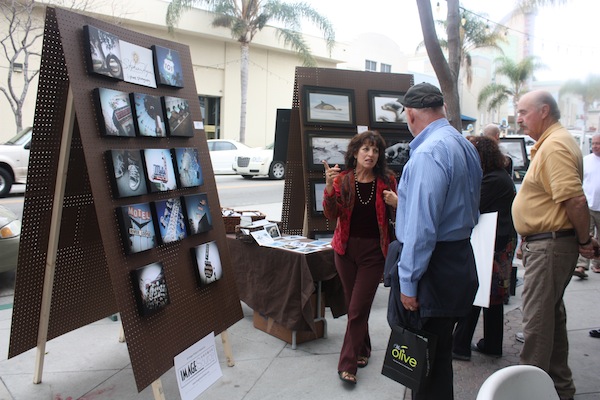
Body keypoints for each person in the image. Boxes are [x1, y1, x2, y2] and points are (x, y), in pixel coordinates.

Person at [388, 82, 482, 399]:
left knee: (423, 364)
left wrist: (409, 283)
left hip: (434, 270)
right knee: (437, 358)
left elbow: (421, 229)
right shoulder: (463, 144)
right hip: (457, 261)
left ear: (411, 114)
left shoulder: (428, 153)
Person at [511, 90, 599, 400]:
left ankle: (528, 393)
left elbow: (575, 199)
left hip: (550, 246)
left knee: (536, 325)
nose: (518, 118)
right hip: (546, 244)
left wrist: (585, 241)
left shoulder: (556, 144)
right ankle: (561, 389)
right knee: (551, 322)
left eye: (523, 111)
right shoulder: (551, 143)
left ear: (544, 111)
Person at [322, 130, 397, 385]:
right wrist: (329, 189)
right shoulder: (343, 180)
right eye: (366, 149)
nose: (371, 154)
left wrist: (398, 203)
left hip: (374, 253)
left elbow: (402, 216)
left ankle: (347, 363)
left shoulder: (387, 181)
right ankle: (363, 349)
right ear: (355, 153)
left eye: (375, 151)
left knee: (356, 308)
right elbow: (332, 216)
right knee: (357, 306)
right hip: (344, 250)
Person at [452, 136, 517, 360]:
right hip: (498, 243)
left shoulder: (493, 180)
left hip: (492, 244)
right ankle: (491, 343)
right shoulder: (498, 177)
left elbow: (471, 205)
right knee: (492, 297)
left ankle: (460, 345)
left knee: (476, 291)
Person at [574, 133, 600, 279]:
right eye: (594, 143)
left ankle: (597, 264)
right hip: (588, 205)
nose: (595, 146)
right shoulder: (586, 161)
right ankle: (582, 265)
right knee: (586, 235)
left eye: (598, 143)